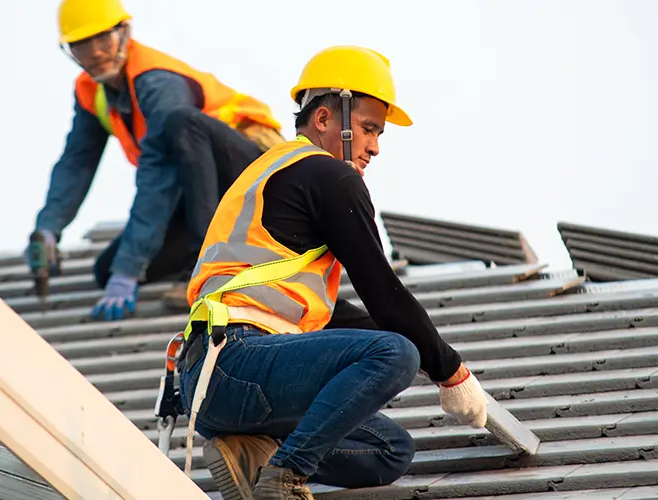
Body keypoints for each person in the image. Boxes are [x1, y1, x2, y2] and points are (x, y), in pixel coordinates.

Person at [174, 46, 489, 500]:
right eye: (367, 129)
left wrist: (429, 347)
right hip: (238, 357)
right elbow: (384, 291)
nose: (375, 147)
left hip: (210, 383)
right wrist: (449, 370)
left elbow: (340, 314)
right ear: (325, 119)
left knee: (388, 449)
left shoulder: (272, 170)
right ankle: (284, 479)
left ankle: (254, 450)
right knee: (396, 354)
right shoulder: (330, 176)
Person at [25, 0, 286, 320]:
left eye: (102, 39)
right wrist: (48, 228)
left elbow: (158, 177)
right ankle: (221, 255)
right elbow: (77, 163)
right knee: (107, 270)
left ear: (124, 33)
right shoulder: (93, 91)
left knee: (181, 124)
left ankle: (206, 269)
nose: (94, 53)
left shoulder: (157, 82)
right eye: (81, 46)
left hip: (259, 184)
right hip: (206, 198)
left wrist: (130, 268)